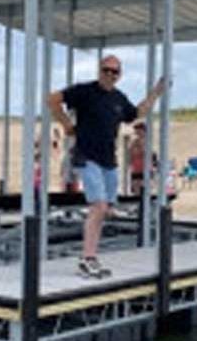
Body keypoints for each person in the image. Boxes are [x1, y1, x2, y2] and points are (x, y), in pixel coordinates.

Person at [48, 54, 166, 279]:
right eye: (106, 70)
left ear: (119, 75)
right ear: (99, 70)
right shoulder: (84, 91)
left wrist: (156, 94)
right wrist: (66, 125)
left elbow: (137, 114)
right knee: (99, 206)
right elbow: (52, 99)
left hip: (108, 161)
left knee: (107, 210)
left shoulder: (119, 98)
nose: (110, 75)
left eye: (115, 72)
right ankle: (88, 258)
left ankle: (91, 253)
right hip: (86, 156)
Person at [129, 122, 147, 195]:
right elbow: (131, 153)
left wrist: (139, 144)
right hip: (135, 168)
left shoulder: (146, 141)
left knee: (142, 186)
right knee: (135, 187)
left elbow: (144, 152)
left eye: (138, 131)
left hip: (144, 168)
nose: (137, 134)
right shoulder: (134, 142)